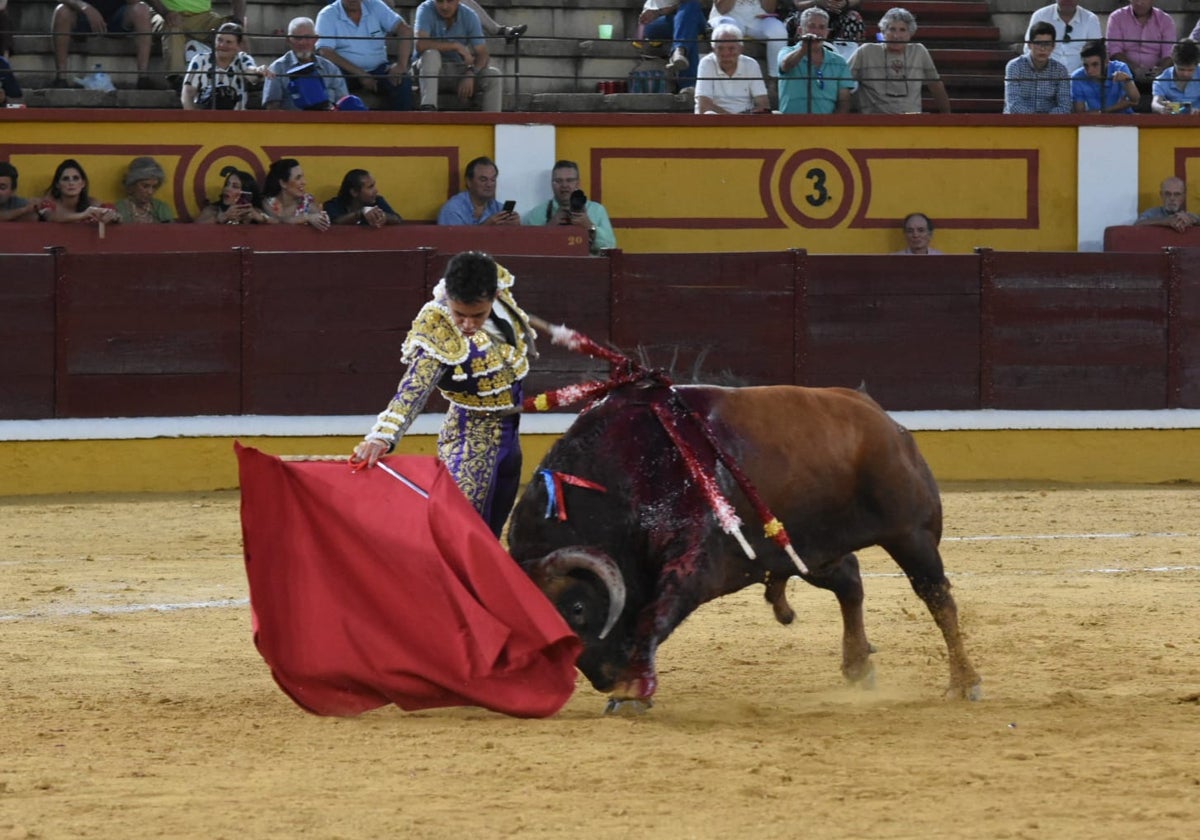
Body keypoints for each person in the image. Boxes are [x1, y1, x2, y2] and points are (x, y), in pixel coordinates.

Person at [350, 251, 541, 536]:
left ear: (494, 296)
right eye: (459, 314)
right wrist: (382, 436)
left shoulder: (501, 297)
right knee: (460, 533)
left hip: (510, 438)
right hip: (470, 441)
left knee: (491, 533)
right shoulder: (438, 326)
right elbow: (414, 388)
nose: (466, 324)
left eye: (477, 315)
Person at [848, 7, 951, 114]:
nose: (897, 35)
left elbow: (936, 86)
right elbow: (842, 83)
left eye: (902, 30)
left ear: (910, 33)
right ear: (883, 31)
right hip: (874, 122)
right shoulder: (866, 51)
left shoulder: (919, 51)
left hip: (911, 122)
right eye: (892, 29)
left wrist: (948, 117)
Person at [315, 0, 412, 112]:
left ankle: (400, 126)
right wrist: (361, 74)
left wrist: (401, 65)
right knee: (329, 79)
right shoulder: (327, 14)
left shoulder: (375, 5)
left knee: (402, 80)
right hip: (344, 72)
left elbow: (405, 30)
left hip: (378, 69)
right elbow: (325, 52)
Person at [413, 0, 502, 112]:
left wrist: (471, 73)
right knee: (431, 54)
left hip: (458, 71)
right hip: (426, 70)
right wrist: (455, 46)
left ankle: (493, 123)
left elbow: (483, 54)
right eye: (440, 1)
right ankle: (428, 108)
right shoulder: (425, 8)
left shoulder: (469, 15)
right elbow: (420, 44)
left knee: (494, 75)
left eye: (449, 1)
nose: (445, 6)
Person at [50, 0, 156, 89]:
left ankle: (143, 77)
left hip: (117, 18)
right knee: (61, 10)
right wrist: (85, 7)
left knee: (141, 9)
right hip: (83, 17)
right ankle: (61, 78)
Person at [521, 160, 616, 254]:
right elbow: (527, 249)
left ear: (578, 183)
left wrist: (589, 226)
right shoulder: (537, 213)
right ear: (551, 184)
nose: (564, 185)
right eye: (558, 181)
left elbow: (611, 247)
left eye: (569, 180)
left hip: (588, 267)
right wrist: (550, 227)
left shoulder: (596, 210)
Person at [150, 0, 246, 90]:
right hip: (166, 13)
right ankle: (176, 78)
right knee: (172, 26)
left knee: (235, 29)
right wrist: (165, 13)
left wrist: (239, 20)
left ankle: (245, 74)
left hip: (204, 16)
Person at [777, 7, 854, 114]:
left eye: (822, 27)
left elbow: (844, 100)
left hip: (826, 126)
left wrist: (834, 125)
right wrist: (804, 48)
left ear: (827, 33)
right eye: (811, 26)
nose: (816, 32)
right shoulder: (786, 51)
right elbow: (785, 65)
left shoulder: (838, 61)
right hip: (791, 124)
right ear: (800, 31)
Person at [262, 16, 348, 111]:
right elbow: (272, 108)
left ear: (316, 39)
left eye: (307, 37)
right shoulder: (277, 68)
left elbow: (344, 103)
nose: (302, 42)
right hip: (293, 124)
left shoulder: (330, 68)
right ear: (288, 40)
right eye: (297, 38)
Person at [180, 20, 269, 110]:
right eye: (219, 40)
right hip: (205, 118)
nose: (222, 45)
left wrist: (258, 71)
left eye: (228, 42)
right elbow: (187, 93)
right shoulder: (199, 60)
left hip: (236, 119)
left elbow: (251, 74)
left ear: (239, 45)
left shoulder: (242, 58)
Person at [694, 23, 770, 114]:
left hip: (745, 119)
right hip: (716, 121)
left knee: (777, 114)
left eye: (731, 49)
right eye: (720, 49)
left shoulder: (751, 64)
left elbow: (763, 104)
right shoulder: (706, 63)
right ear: (713, 49)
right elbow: (704, 105)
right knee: (709, 114)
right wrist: (733, 121)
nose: (726, 53)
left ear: (740, 49)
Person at [708, 0, 788, 79]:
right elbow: (722, 9)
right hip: (728, 17)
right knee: (728, 33)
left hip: (758, 17)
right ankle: (728, 76)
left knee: (779, 31)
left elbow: (769, 9)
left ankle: (775, 79)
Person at [1004, 22, 1071, 114]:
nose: (1042, 49)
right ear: (1029, 45)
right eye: (1038, 43)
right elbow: (1013, 105)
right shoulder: (1014, 66)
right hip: (1018, 123)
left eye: (1047, 44)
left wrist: (1044, 120)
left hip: (1050, 124)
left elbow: (1065, 107)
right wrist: (1038, 119)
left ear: (1053, 46)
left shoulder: (1060, 70)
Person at [639, 0, 705, 91]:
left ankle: (679, 50)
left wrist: (668, 9)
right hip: (658, 20)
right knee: (688, 29)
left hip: (690, 14)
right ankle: (680, 51)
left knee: (690, 6)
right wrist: (657, 12)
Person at [1106, 0, 1175, 86]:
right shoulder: (1116, 17)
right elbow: (1114, 51)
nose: (1139, 3)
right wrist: (1134, 69)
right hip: (1124, 75)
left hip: (1157, 78)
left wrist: (1159, 70)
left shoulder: (1165, 20)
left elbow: (1169, 53)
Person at [1023, 0, 1101, 74]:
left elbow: (1097, 52)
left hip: (1080, 79)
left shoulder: (1090, 19)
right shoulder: (1040, 15)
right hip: (1046, 76)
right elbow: (1028, 48)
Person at [436, 156, 519, 225]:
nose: (489, 184)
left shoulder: (498, 208)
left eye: (493, 180)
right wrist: (485, 227)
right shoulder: (453, 209)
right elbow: (453, 242)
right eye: (483, 180)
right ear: (469, 182)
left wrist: (516, 228)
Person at [37, 158, 120, 224]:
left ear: (83, 183)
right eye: (66, 179)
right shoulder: (49, 203)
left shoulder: (92, 203)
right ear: (57, 185)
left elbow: (113, 214)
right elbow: (51, 217)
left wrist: (114, 216)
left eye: (75, 178)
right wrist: (83, 215)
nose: (71, 183)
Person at [1071, 39, 1138, 113]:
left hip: (1124, 120)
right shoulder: (1077, 77)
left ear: (1106, 61)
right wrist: (1105, 112)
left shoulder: (1120, 68)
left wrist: (1127, 82)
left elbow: (1135, 100)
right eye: (1085, 65)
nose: (1089, 70)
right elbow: (1080, 113)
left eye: (1095, 64)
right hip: (1093, 122)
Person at [262, 158, 331, 229]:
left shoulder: (308, 204)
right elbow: (278, 222)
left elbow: (325, 225)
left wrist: (322, 217)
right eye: (298, 178)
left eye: (302, 177)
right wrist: (306, 217)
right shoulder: (269, 203)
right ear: (283, 183)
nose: (304, 182)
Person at [787, 0, 865, 61]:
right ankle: (800, 54)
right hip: (810, 9)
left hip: (840, 12)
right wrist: (818, 2)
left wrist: (845, 3)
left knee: (854, 17)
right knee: (803, 19)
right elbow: (798, 3)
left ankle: (846, 61)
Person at [323, 169, 403, 226]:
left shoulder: (377, 201)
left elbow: (397, 219)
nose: (376, 190)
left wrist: (382, 216)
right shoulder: (333, 205)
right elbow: (335, 222)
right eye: (370, 187)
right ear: (354, 192)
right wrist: (360, 213)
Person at [195, 165, 272, 224]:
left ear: (246, 192)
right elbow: (192, 230)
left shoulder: (255, 211)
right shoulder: (212, 210)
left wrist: (260, 218)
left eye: (235, 186)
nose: (227, 189)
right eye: (227, 184)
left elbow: (278, 224)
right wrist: (221, 218)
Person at [114, 156, 174, 223]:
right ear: (131, 186)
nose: (150, 192)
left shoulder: (161, 208)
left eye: (154, 187)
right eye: (145, 186)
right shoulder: (119, 209)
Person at [1151, 38, 1200, 114]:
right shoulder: (1161, 80)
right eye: (1181, 69)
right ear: (1173, 62)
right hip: (1172, 121)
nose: (1185, 74)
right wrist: (1161, 108)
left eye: (1190, 70)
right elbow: (1155, 104)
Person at [1134, 176, 1200, 232]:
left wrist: (1194, 220)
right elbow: (1137, 224)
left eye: (1177, 194)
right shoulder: (1151, 213)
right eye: (1167, 194)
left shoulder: (1189, 215)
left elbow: (1196, 220)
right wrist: (1165, 221)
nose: (1172, 198)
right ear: (1161, 195)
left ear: (1183, 197)